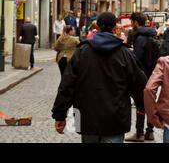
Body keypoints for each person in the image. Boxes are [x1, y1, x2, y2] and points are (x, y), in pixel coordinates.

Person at [51, 12, 147, 143]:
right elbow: (138, 83)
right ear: (114, 28)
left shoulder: (82, 51)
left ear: (98, 27)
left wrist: (59, 115)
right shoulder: (125, 53)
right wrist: (143, 107)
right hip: (115, 118)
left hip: (87, 117)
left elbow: (67, 84)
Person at [126, 12, 160, 142]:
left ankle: (139, 133)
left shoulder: (140, 37)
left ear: (135, 22)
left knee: (141, 104)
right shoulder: (153, 34)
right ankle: (150, 132)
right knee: (150, 103)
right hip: (153, 74)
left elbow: (137, 59)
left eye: (131, 21)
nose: (131, 24)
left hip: (142, 75)